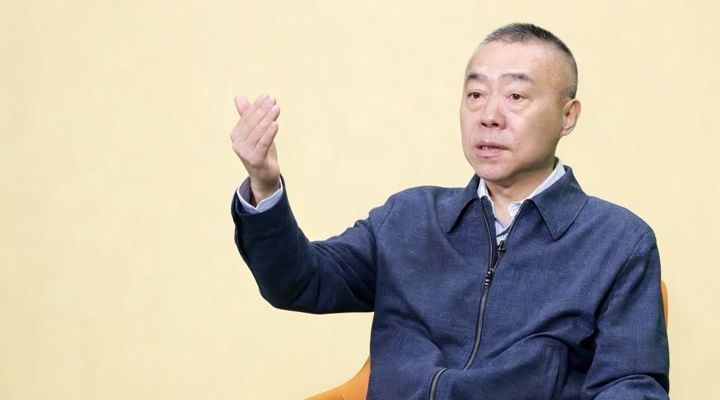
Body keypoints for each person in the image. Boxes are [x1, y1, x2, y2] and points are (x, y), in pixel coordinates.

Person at [228, 23, 669, 399]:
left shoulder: (619, 242)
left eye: (516, 96)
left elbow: (630, 384)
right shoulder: (410, 217)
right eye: (475, 94)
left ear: (567, 116)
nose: (489, 115)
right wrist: (264, 184)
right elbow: (300, 283)